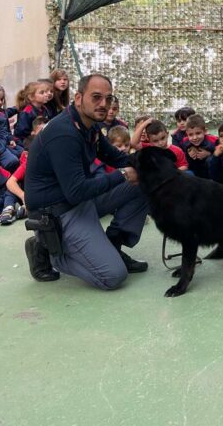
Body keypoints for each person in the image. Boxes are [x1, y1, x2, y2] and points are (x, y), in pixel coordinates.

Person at [23, 73, 149, 290]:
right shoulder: (65, 134)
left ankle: (112, 246)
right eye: (96, 97)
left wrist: (151, 164)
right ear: (79, 98)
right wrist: (123, 174)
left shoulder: (88, 125)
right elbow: (76, 192)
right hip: (57, 211)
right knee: (113, 276)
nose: (104, 104)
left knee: (143, 184)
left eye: (108, 99)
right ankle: (48, 250)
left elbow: (115, 157)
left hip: (81, 200)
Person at [15, 79, 55, 145]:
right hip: (27, 143)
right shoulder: (27, 111)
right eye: (42, 93)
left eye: (46, 92)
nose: (46, 94)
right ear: (31, 97)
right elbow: (21, 133)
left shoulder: (45, 109)